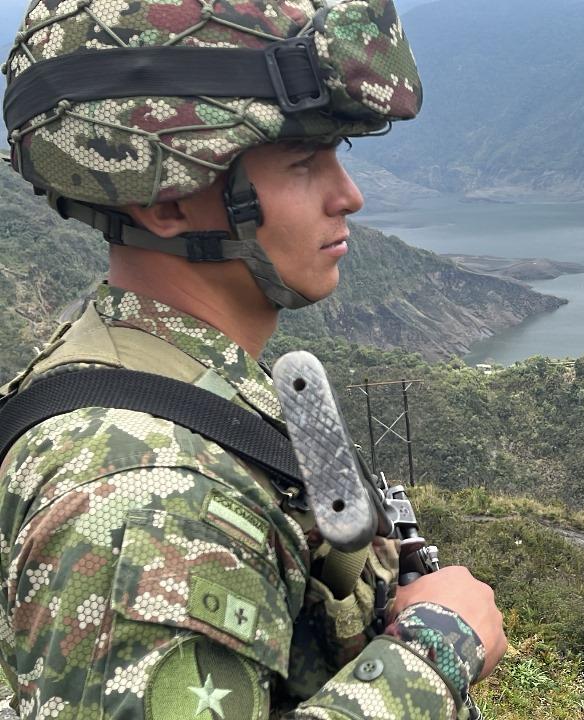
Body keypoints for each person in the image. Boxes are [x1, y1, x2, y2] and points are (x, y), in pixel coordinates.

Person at [0, 1, 506, 718]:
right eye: (303, 162)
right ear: (168, 200)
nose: (349, 196)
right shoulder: (145, 495)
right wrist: (434, 654)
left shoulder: (166, 380)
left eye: (338, 155)